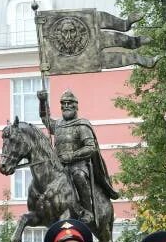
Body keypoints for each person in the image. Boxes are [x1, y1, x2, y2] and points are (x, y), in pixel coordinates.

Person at [37, 88, 118, 222]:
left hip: (79, 164)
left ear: (76, 106)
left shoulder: (82, 125)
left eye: (69, 103)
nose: (66, 106)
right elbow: (45, 118)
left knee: (78, 176)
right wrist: (42, 101)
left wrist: (71, 156)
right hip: (60, 165)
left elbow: (90, 148)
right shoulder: (57, 125)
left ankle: (87, 211)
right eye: (63, 104)